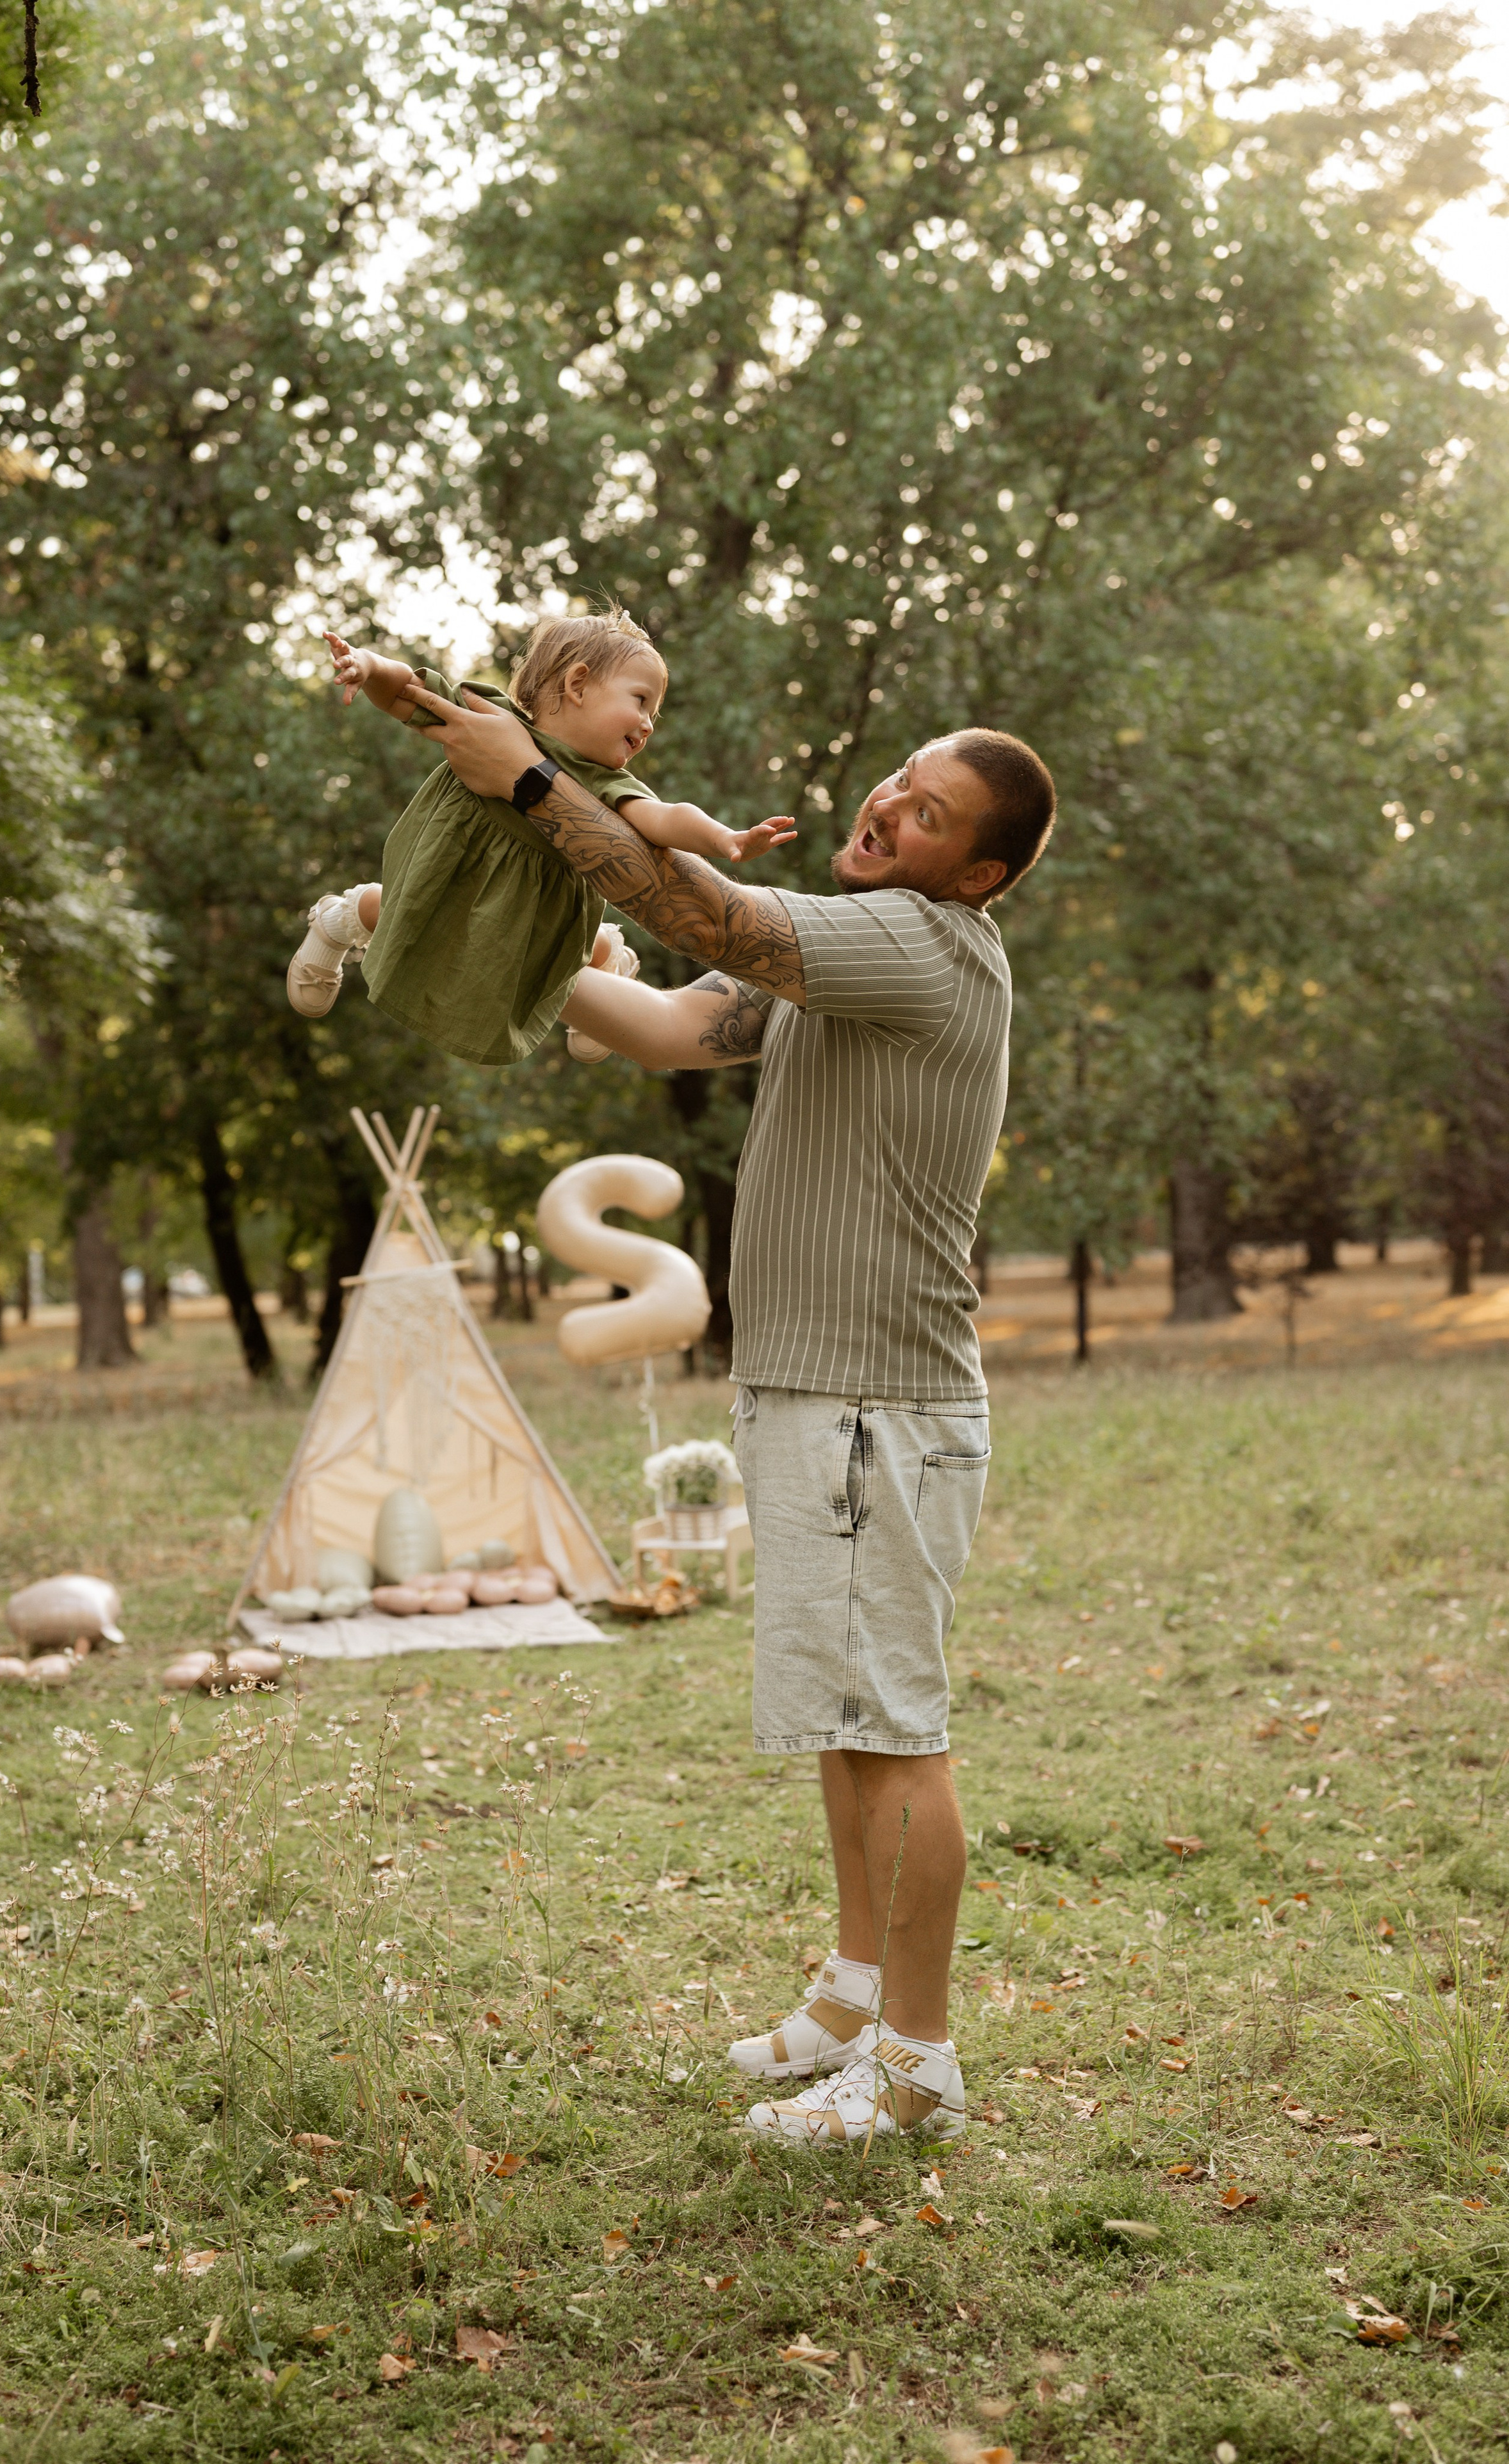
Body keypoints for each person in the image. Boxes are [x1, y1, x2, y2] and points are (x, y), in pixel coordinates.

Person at [400, 670, 1056, 2147]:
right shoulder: (837, 965)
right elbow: (659, 1023)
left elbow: (703, 915)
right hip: (816, 1392)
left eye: (932, 813)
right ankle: (850, 1992)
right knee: (844, 1713)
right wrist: (452, 927)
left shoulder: (921, 943)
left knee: (889, 1723)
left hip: (874, 1403)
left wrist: (528, 779)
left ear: (979, 871)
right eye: (897, 778)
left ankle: (914, 2061)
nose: (889, 805)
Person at [285, 608, 794, 1066]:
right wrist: (369, 665)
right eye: (641, 702)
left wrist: (725, 838)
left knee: (562, 957)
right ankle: (339, 920)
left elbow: (664, 817)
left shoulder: (603, 781)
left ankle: (610, 959)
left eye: (653, 715)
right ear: (577, 684)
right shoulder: (490, 720)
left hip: (538, 907)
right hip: (456, 876)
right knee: (407, 915)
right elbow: (409, 692)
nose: (647, 725)